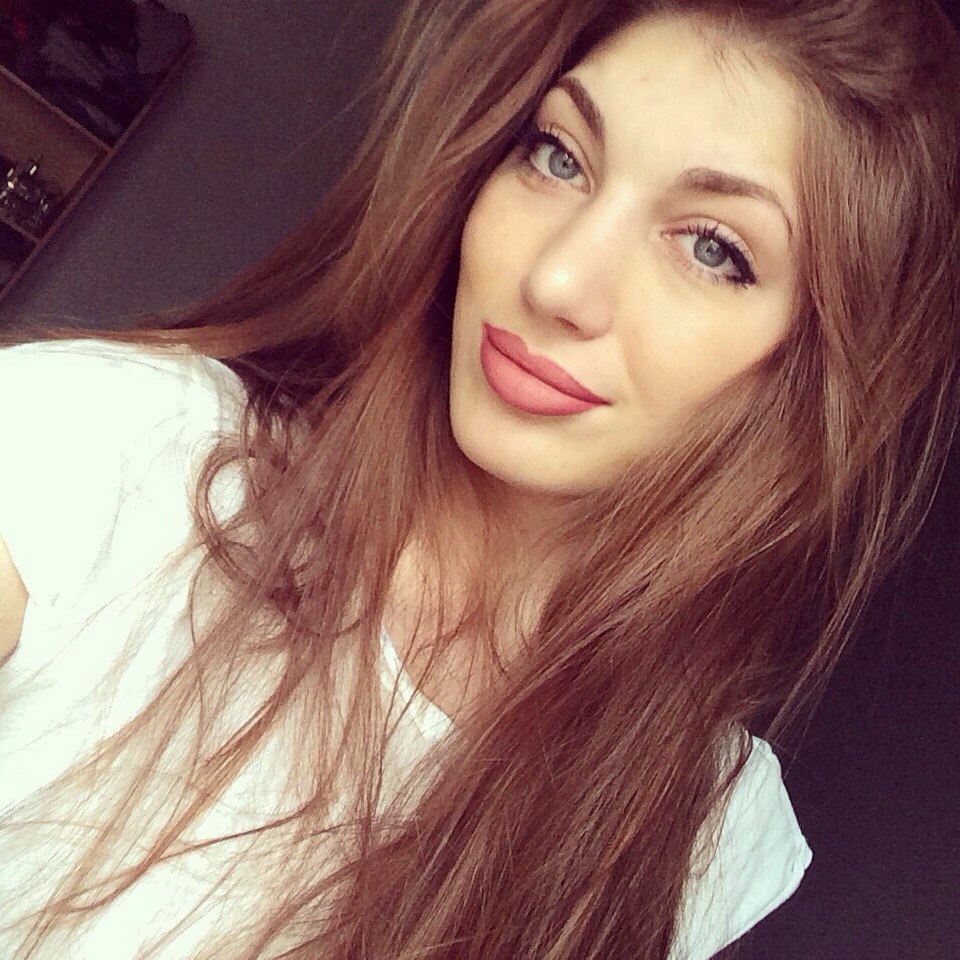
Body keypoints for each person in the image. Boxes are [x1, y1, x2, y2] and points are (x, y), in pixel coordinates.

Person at [0, 0, 958, 957]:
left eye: (713, 248)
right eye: (559, 155)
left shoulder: (708, 826)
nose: (556, 283)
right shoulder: (114, 448)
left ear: (811, 373)